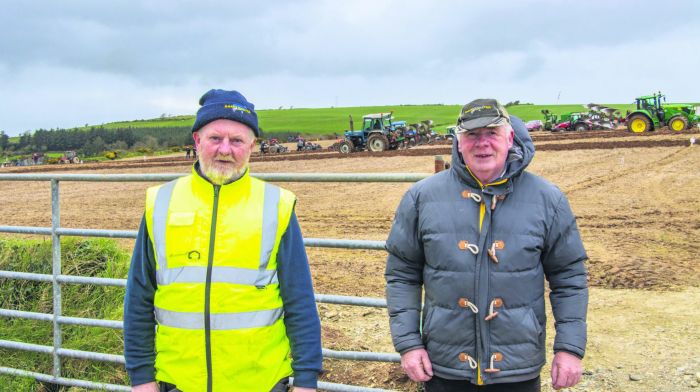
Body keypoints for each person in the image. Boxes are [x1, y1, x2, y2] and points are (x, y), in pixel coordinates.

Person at [124, 89, 322, 392]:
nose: (225, 150)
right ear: (197, 141)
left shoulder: (276, 205)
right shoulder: (161, 202)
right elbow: (139, 298)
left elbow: (300, 301)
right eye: (215, 138)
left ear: (252, 145)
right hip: (179, 382)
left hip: (260, 382)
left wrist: (306, 379)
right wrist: (141, 377)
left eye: (237, 140)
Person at [385, 99, 588, 391]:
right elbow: (402, 274)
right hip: (445, 366)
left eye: (491, 133)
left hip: (516, 367)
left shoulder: (548, 200)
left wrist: (569, 348)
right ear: (458, 141)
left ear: (509, 138)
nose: (482, 144)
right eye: (472, 135)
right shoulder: (421, 199)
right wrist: (408, 343)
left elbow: (569, 276)